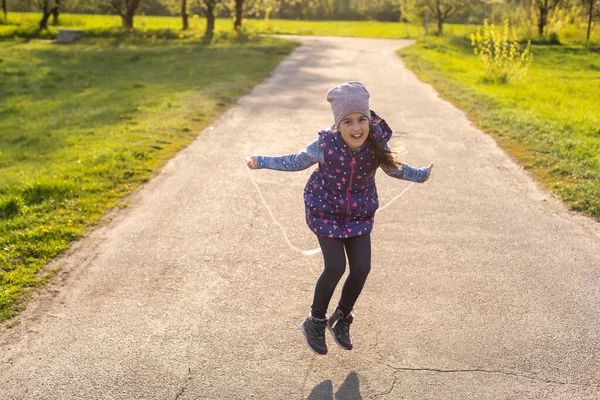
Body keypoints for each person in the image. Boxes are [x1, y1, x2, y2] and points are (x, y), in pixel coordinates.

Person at [245, 82, 433, 355]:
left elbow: (393, 168)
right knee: (334, 267)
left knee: (361, 268)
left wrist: (420, 175)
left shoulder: (375, 141)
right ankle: (315, 321)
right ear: (337, 124)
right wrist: (260, 160)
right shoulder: (325, 144)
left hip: (359, 211)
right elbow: (296, 161)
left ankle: (341, 317)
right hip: (324, 209)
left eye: (361, 120)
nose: (356, 128)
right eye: (348, 122)